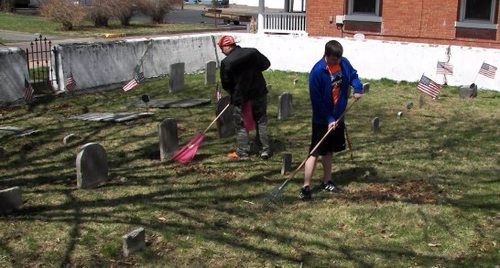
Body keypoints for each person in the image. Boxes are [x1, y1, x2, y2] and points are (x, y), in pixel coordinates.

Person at [299, 40, 363, 201]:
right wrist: (328, 118)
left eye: (339, 59)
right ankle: (305, 187)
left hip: (338, 116)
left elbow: (353, 75)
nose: (337, 62)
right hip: (322, 119)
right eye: (334, 59)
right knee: (315, 152)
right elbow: (317, 100)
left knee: (329, 151)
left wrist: (358, 87)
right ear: (326, 55)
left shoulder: (343, 62)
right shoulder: (317, 72)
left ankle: (327, 181)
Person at [218, 35, 272, 160]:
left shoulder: (227, 62)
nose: (221, 51)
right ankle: (265, 150)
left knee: (241, 124)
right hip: (259, 92)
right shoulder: (252, 52)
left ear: (227, 46)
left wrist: (233, 92)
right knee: (261, 121)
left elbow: (226, 83)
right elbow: (266, 64)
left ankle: (243, 152)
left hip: (242, 98)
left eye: (222, 48)